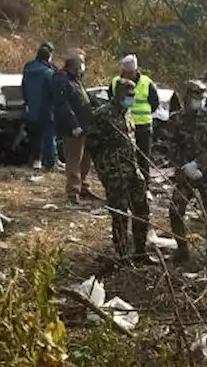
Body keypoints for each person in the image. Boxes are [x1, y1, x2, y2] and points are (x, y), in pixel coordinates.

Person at [88, 78, 150, 262]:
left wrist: (137, 167)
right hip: (114, 173)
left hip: (132, 170)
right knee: (120, 212)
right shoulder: (103, 114)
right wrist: (105, 169)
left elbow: (130, 143)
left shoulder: (127, 113)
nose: (130, 98)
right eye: (127, 95)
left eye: (133, 95)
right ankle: (122, 254)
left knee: (142, 208)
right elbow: (91, 143)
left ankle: (140, 251)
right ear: (118, 94)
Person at [165, 80, 207, 262]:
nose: (200, 101)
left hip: (206, 173)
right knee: (175, 210)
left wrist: (198, 164)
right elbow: (171, 147)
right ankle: (182, 249)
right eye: (196, 98)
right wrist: (184, 166)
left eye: (202, 98)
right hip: (184, 174)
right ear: (187, 97)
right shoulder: (175, 119)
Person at [53, 49, 97, 205]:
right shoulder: (61, 78)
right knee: (74, 159)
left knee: (85, 159)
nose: (83, 65)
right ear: (74, 63)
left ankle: (83, 186)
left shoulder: (76, 78)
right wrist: (73, 125)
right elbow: (62, 104)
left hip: (85, 125)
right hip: (72, 127)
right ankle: (73, 191)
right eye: (81, 62)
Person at [109, 54, 159, 187]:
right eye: (126, 72)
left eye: (131, 72)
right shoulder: (115, 82)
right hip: (122, 126)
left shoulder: (146, 82)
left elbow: (155, 103)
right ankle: (125, 185)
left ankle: (145, 186)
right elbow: (111, 101)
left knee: (143, 157)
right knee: (124, 158)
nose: (128, 75)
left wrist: (142, 115)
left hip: (142, 125)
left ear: (136, 70)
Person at [22, 43, 59, 171]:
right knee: (49, 136)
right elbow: (54, 92)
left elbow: (24, 87)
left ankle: (36, 161)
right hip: (47, 108)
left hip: (32, 108)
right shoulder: (49, 73)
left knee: (35, 136)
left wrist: (27, 102)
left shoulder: (28, 68)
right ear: (48, 57)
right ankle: (51, 161)